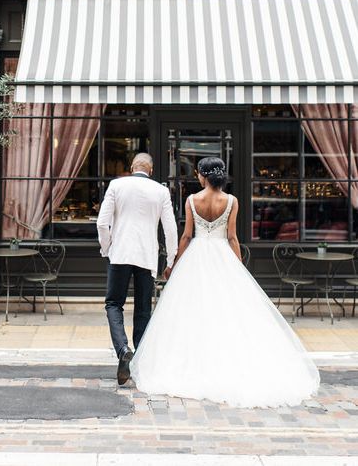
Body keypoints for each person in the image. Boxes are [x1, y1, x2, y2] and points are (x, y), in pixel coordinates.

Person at [130, 157, 320, 408]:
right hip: (221, 255)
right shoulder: (231, 201)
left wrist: (174, 264)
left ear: (203, 176)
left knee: (192, 311)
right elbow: (232, 237)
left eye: (198, 173)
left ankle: (195, 361)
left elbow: (187, 235)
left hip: (196, 257)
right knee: (225, 310)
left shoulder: (192, 200)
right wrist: (239, 267)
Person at [96, 152, 178, 385]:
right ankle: (139, 363)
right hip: (146, 256)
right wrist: (170, 260)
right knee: (143, 309)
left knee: (114, 304)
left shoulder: (116, 185)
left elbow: (102, 222)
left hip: (120, 253)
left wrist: (106, 248)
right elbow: (170, 229)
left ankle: (123, 350)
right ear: (150, 170)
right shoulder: (161, 191)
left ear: (132, 167)